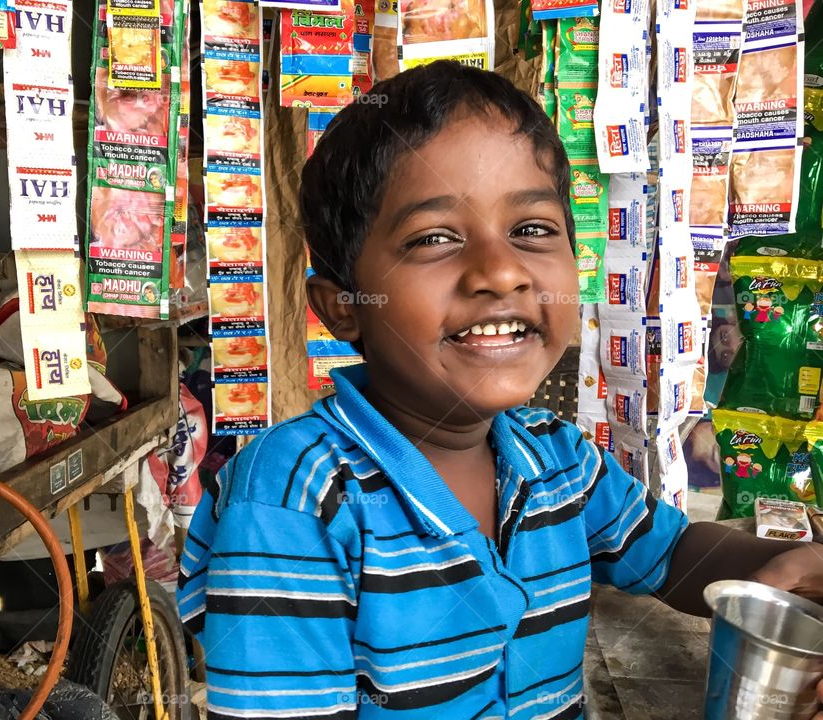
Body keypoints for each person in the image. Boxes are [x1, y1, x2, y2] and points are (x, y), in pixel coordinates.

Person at [177, 61, 823, 719]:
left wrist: (786, 570)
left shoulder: (559, 461)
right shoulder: (292, 502)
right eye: (435, 238)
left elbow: (671, 554)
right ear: (343, 306)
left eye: (532, 230)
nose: (500, 271)